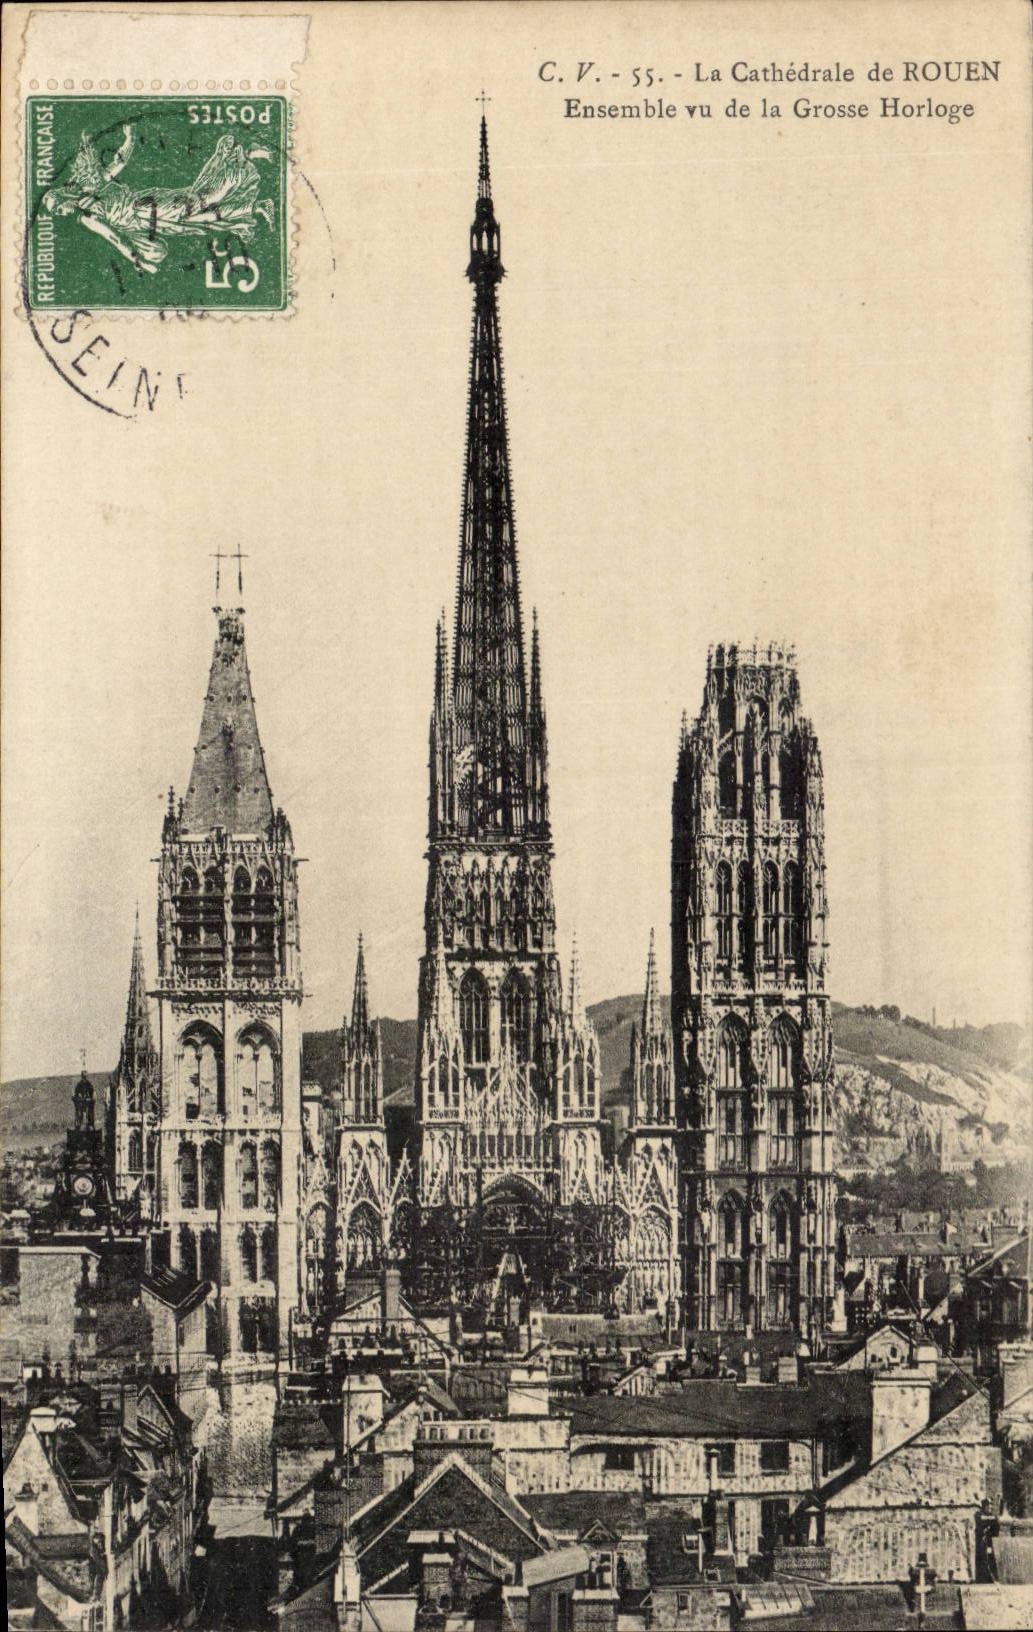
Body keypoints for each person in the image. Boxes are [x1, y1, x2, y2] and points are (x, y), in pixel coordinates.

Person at [42, 124, 274, 274]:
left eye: (59, 207)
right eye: (58, 213)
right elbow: (116, 238)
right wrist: (139, 259)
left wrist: (129, 139)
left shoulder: (91, 187)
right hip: (146, 223)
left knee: (197, 204)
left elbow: (118, 164)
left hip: (146, 206)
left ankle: (242, 156)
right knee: (200, 217)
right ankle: (256, 206)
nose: (62, 213)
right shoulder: (85, 217)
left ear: (63, 196)